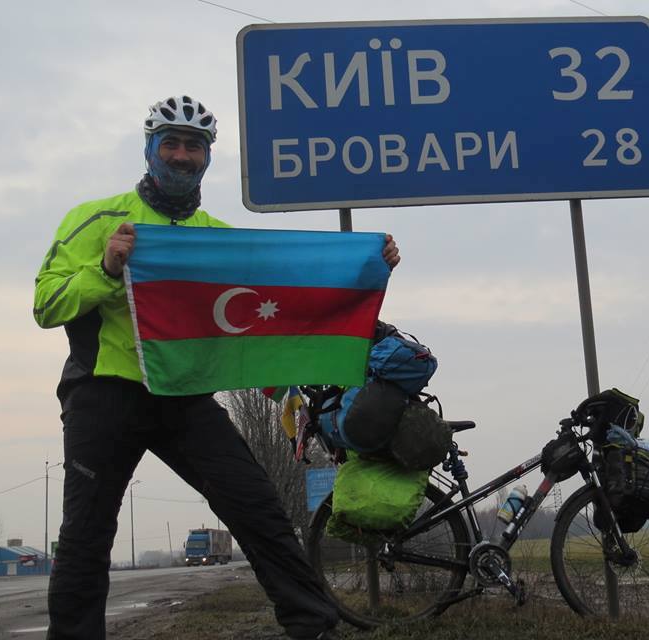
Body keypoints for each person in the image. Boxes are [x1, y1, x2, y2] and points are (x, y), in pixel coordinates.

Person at [33, 95, 401, 640]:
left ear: (208, 157)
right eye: (171, 144)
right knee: (87, 532)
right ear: (150, 150)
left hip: (184, 396)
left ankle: (312, 625)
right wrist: (106, 267)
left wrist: (366, 267)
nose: (182, 156)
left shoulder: (218, 239)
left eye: (194, 147)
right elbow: (45, 305)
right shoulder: (95, 218)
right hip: (103, 393)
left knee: (257, 507)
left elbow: (276, 309)